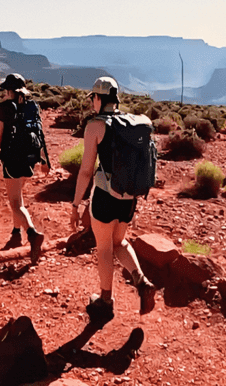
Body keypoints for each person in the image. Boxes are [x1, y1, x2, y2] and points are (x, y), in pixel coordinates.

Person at [71, 76, 156, 318]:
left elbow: (86, 170)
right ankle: (141, 282)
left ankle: (105, 301)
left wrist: (76, 204)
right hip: (129, 197)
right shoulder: (131, 124)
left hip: (105, 197)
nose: (92, 104)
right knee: (119, 242)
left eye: (93, 99)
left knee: (105, 248)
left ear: (98, 98)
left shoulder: (95, 126)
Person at [0, 73, 46, 263]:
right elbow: (40, 132)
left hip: (12, 159)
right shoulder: (32, 106)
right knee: (18, 197)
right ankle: (16, 231)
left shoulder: (5, 108)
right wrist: (45, 159)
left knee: (15, 203)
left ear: (9, 90)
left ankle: (32, 233)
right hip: (30, 158)